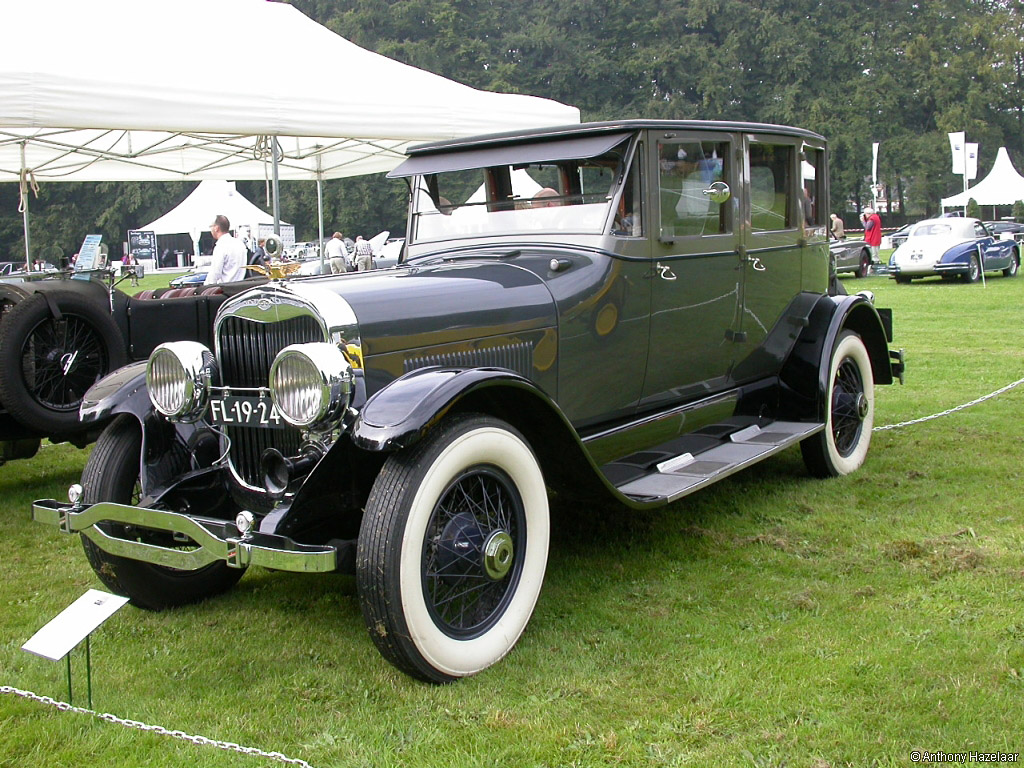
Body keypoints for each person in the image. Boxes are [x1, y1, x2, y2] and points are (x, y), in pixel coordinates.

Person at [204, 214, 248, 285]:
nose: (210, 230)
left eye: (211, 226)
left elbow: (215, 274)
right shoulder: (240, 244)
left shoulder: (221, 246)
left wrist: (205, 288)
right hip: (241, 288)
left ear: (216, 228)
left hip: (226, 290)